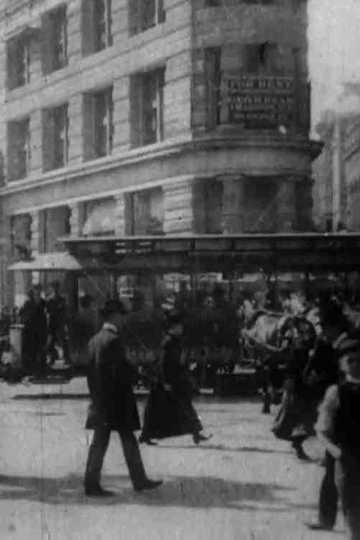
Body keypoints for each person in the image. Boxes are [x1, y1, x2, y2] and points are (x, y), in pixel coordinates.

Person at [84, 299, 162, 497]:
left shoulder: (94, 340)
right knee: (127, 440)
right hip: (117, 402)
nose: (123, 319)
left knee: (100, 443)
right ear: (114, 316)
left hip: (101, 401)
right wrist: (140, 375)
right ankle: (139, 480)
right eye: (121, 315)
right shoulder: (114, 340)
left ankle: (92, 483)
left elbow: (91, 374)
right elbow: (122, 371)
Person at [306, 298, 349, 531]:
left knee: (335, 470)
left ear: (333, 326)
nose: (322, 332)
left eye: (323, 327)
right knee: (333, 470)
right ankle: (326, 518)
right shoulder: (339, 344)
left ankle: (326, 519)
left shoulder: (346, 347)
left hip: (347, 417)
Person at [139, 311, 212, 445]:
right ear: (172, 327)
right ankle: (146, 435)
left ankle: (196, 433)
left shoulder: (174, 341)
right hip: (167, 381)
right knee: (158, 410)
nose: (181, 328)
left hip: (174, 379)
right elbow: (163, 363)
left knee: (183, 406)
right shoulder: (168, 342)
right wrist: (165, 381)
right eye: (179, 326)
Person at [315, 337, 360, 539]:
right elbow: (322, 429)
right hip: (347, 459)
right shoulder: (336, 393)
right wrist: (335, 451)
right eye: (350, 360)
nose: (356, 364)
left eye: (359, 360)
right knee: (352, 511)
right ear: (342, 365)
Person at [20, 285, 48, 375]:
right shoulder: (28, 303)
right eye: (36, 292)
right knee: (31, 350)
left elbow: (47, 314)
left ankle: (41, 369)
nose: (37, 294)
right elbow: (22, 314)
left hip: (41, 329)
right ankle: (32, 370)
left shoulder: (43, 302)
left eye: (39, 292)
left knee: (41, 349)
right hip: (30, 330)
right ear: (33, 293)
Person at [68, 295, 97, 370]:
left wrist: (74, 352)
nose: (94, 307)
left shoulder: (77, 317)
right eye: (93, 304)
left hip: (84, 352)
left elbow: (74, 337)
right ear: (90, 304)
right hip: (88, 351)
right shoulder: (92, 316)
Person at [46, 281, 70, 364]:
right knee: (51, 342)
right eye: (54, 287)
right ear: (52, 288)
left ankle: (67, 358)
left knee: (63, 341)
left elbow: (64, 311)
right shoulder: (49, 300)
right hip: (52, 323)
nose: (55, 289)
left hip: (60, 322)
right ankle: (52, 358)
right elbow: (48, 311)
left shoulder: (62, 299)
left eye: (57, 287)